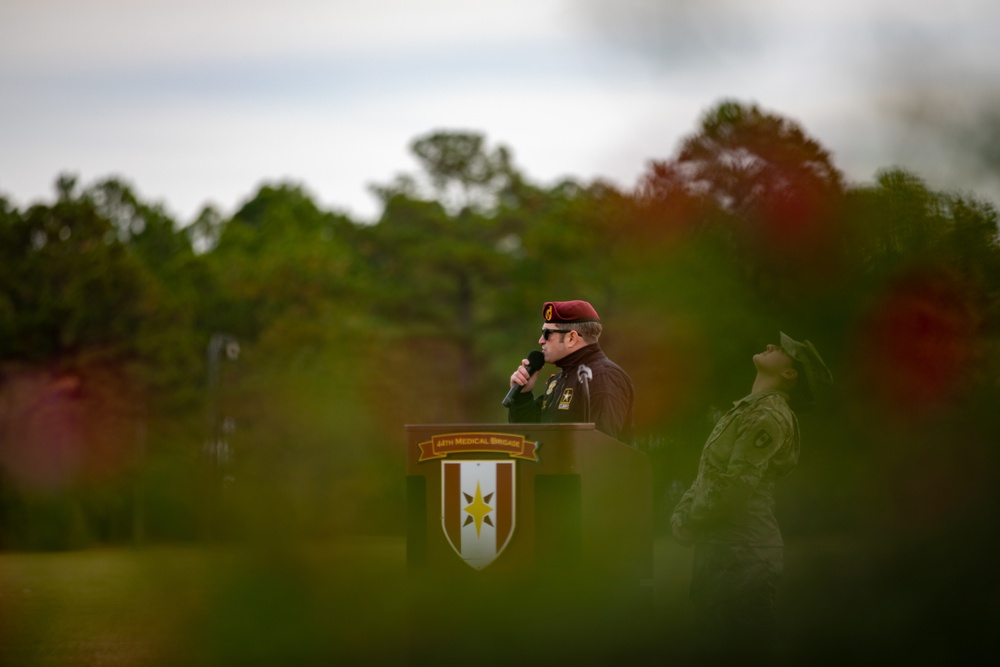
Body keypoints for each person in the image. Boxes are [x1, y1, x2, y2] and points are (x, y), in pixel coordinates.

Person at [670, 332, 832, 658]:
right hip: (723, 553)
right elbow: (709, 474)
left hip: (743, 558)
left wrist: (690, 520)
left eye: (782, 349)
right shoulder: (748, 409)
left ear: (790, 374)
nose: (771, 345)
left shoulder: (768, 416)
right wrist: (683, 511)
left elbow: (735, 486)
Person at [506, 300, 635, 445]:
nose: (541, 340)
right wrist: (523, 395)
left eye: (547, 333)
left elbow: (602, 448)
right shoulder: (562, 378)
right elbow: (531, 439)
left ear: (571, 338)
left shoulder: (600, 377)